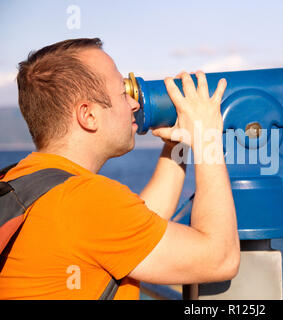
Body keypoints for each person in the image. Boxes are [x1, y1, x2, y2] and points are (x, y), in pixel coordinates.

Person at [0, 38, 240, 299]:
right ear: (88, 115)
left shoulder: (22, 181)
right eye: (122, 92)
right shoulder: (86, 200)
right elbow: (220, 258)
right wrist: (207, 138)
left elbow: (139, 225)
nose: (134, 104)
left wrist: (178, 143)